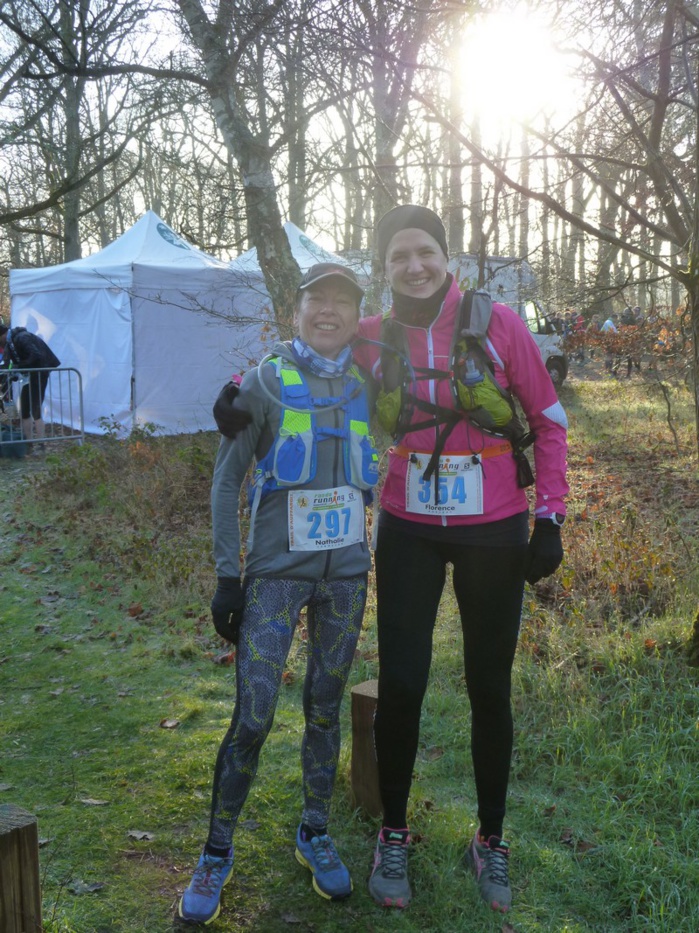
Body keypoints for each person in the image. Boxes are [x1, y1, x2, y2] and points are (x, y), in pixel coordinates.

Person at [350, 206, 568, 913]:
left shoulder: (495, 322)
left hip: (494, 525)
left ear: (446, 256)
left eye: (423, 252)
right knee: (403, 683)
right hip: (407, 526)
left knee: (487, 685)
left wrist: (551, 517)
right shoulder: (371, 335)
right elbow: (301, 353)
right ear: (383, 267)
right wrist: (239, 388)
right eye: (397, 257)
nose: (412, 266)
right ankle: (393, 831)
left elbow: (549, 420)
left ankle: (491, 838)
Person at [178, 263, 379, 925]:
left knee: (324, 708)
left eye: (341, 302)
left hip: (346, 578)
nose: (328, 311)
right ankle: (215, 850)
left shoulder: (369, 383)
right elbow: (224, 481)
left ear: (356, 315)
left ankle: (313, 830)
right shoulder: (262, 383)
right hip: (272, 578)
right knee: (254, 716)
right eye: (315, 299)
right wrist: (225, 576)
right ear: (295, 311)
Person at [0, 324, 60, 445]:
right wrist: (10, 375)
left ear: (2, 335)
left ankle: (41, 443)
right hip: (30, 375)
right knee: (25, 409)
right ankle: (28, 443)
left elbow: (36, 356)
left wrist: (19, 367)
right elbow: (8, 363)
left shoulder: (22, 337)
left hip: (40, 372)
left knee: (35, 409)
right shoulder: (10, 343)